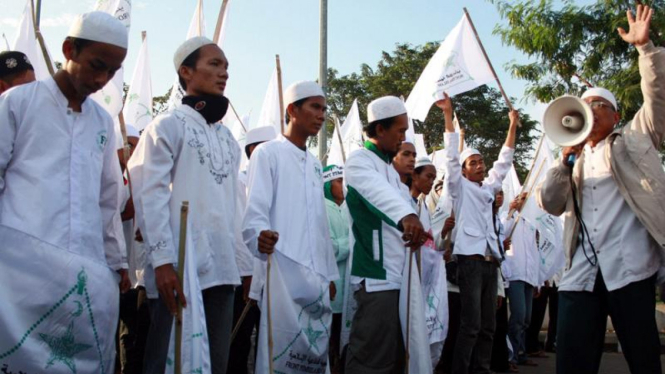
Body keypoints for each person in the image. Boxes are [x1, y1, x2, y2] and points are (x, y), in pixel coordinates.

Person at [536, 5, 664, 374]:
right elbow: (551, 204)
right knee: (573, 361)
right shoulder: (571, 159)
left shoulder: (637, 137)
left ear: (616, 116)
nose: (589, 112)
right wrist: (563, 163)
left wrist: (646, 50)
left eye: (599, 106)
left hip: (630, 270)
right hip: (581, 274)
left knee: (642, 358)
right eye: (585, 106)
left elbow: (657, 94)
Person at [0, 11, 129, 370]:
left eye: (113, 72)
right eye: (97, 65)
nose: (102, 79)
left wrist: (116, 262)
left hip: (81, 275)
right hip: (18, 277)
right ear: (69, 49)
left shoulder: (102, 122)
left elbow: (107, 200)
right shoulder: (17, 103)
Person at [129, 36, 241, 374]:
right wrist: (163, 262)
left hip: (223, 269)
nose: (223, 73)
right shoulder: (166, 126)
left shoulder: (229, 140)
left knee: (215, 364)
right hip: (179, 270)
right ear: (186, 71)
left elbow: (232, 207)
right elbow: (151, 194)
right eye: (214, 64)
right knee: (170, 361)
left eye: (226, 67)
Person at [242, 81, 339, 373]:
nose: (321, 115)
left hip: (316, 281)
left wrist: (330, 273)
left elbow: (320, 226)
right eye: (314, 107)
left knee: (312, 360)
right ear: (292, 110)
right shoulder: (268, 153)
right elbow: (255, 211)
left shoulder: (314, 164)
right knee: (279, 357)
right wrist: (260, 235)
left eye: (323, 109)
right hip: (281, 278)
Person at [344, 95, 429, 374]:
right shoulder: (359, 161)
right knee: (371, 360)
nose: (403, 138)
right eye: (400, 131)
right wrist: (407, 216)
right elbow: (376, 194)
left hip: (399, 278)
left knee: (394, 358)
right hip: (376, 278)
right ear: (380, 130)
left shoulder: (391, 171)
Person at [439, 93, 519, 374]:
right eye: (472, 162)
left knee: (489, 327)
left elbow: (504, 162)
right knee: (471, 326)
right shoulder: (458, 188)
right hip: (469, 262)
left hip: (490, 262)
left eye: (481, 160)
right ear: (462, 170)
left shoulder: (488, 190)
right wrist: (448, 115)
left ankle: (482, 370)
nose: (480, 164)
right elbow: (450, 157)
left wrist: (512, 126)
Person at [227, 125, 276, 374]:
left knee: (271, 342)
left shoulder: (280, 184)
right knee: (240, 342)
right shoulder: (239, 183)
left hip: (275, 279)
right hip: (247, 280)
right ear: (253, 151)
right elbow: (239, 231)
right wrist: (248, 274)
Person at [410, 157, 449, 367]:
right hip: (409, 281)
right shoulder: (404, 202)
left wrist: (442, 235)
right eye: (428, 176)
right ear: (414, 175)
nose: (431, 182)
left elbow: (431, 242)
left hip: (425, 281)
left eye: (434, 178)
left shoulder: (422, 206)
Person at [502, 192, 539, 367]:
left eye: (526, 200)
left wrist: (538, 279)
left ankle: (521, 352)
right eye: (521, 199)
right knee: (518, 316)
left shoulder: (531, 223)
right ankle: (511, 355)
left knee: (526, 319)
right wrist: (510, 212)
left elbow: (534, 252)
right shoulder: (510, 218)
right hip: (515, 274)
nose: (524, 203)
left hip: (529, 276)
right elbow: (502, 233)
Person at [322, 164, 350, 374]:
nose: (344, 185)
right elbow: (327, 248)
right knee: (328, 340)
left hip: (349, 286)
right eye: (339, 181)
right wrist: (352, 242)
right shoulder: (320, 208)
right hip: (330, 286)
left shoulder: (350, 207)